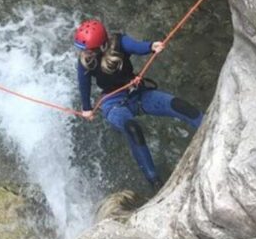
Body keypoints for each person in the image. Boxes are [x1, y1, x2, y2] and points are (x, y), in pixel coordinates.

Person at [74, 19, 204, 190]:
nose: (86, 54)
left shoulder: (119, 43)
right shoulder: (85, 61)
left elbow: (136, 46)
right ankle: (154, 181)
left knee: (179, 105)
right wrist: (86, 108)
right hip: (113, 104)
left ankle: (210, 125)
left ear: (102, 46)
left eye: (89, 50)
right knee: (133, 130)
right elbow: (84, 85)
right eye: (85, 51)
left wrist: (151, 46)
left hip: (137, 93)